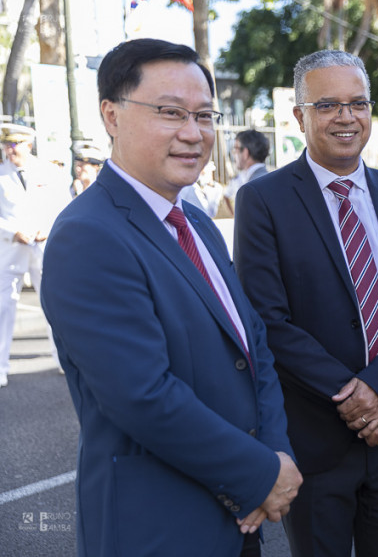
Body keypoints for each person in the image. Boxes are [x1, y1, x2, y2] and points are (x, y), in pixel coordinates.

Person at [39, 38, 302, 556]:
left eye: (205, 115)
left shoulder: (195, 221)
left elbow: (253, 347)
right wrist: (260, 473)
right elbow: (143, 395)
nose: (193, 133)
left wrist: (276, 457)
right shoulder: (88, 234)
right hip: (159, 526)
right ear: (111, 116)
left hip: (242, 513)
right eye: (169, 112)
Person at [233, 50, 378, 557]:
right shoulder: (263, 200)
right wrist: (355, 398)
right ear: (299, 115)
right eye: (328, 104)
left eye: (358, 104)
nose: (346, 117)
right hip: (316, 438)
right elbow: (268, 319)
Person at [0, 126, 71, 388]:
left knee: (52, 304)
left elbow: (64, 207)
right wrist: (11, 231)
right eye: (6, 145)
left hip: (43, 246)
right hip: (10, 248)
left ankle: (62, 358)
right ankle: (1, 367)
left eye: (14, 144)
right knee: (3, 306)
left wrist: (47, 227)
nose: (9, 150)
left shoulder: (49, 172)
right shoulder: (1, 172)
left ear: (28, 144)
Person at [224, 129, 270, 214]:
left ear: (245, 153)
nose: (234, 154)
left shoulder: (251, 188)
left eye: (235, 149)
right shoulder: (269, 180)